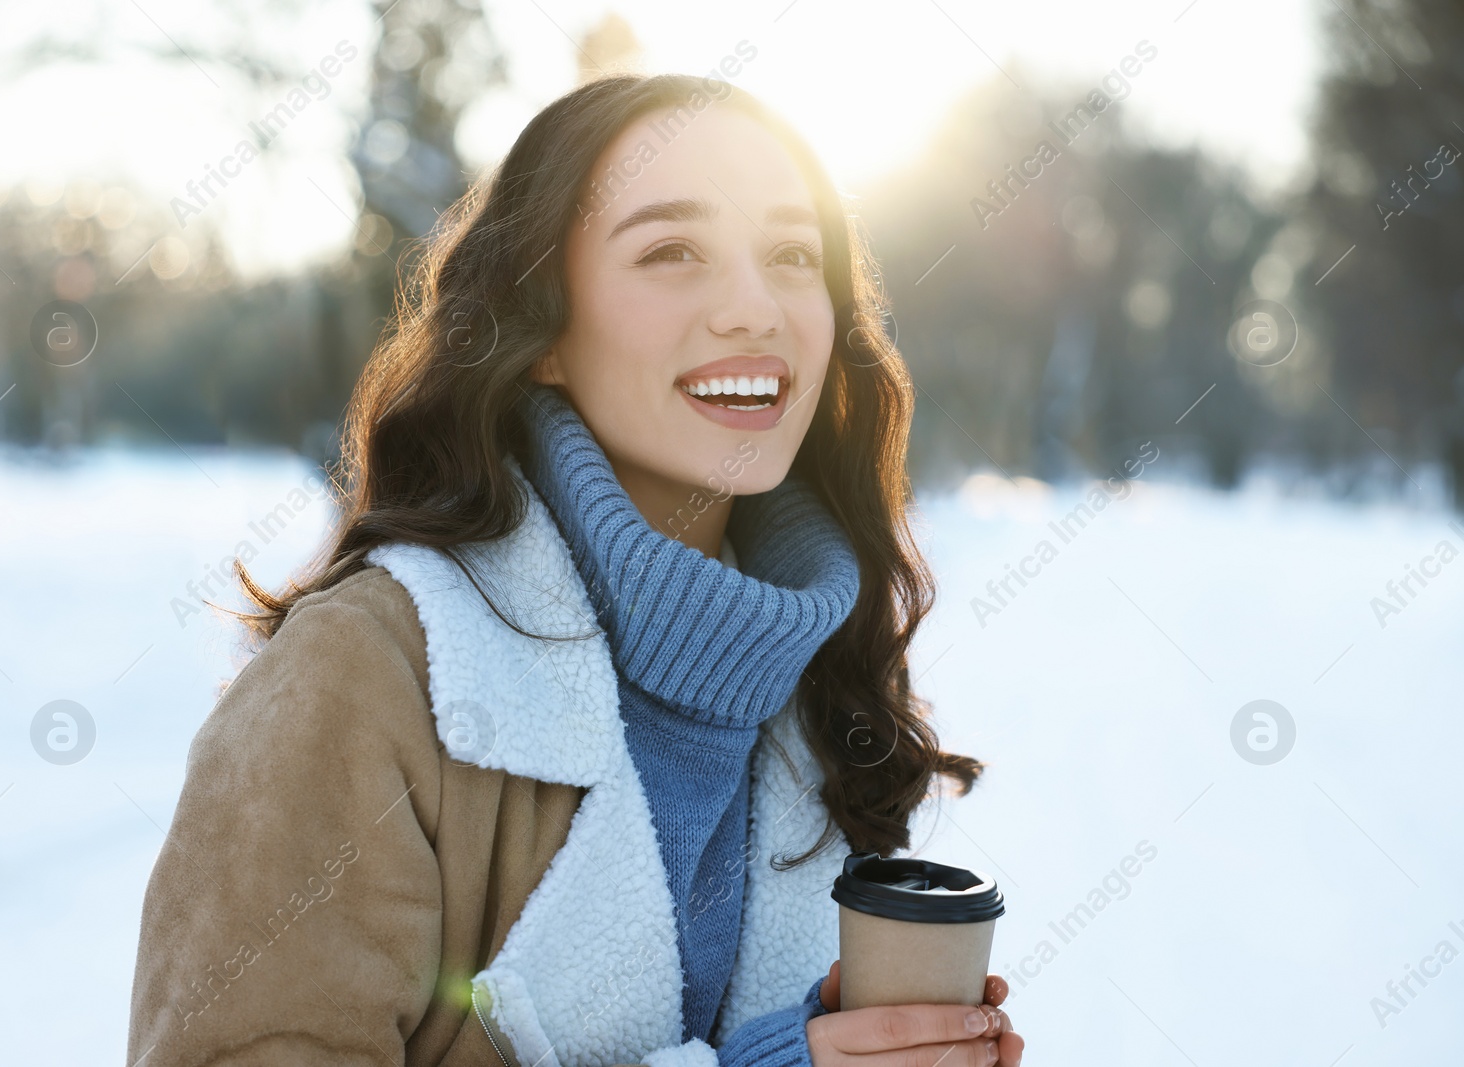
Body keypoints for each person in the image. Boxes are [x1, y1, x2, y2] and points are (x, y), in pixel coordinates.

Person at [126, 71, 1025, 1067]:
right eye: (671, 251)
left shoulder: (821, 683)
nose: (754, 308)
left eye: (788, 254)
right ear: (541, 329)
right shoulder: (364, 672)